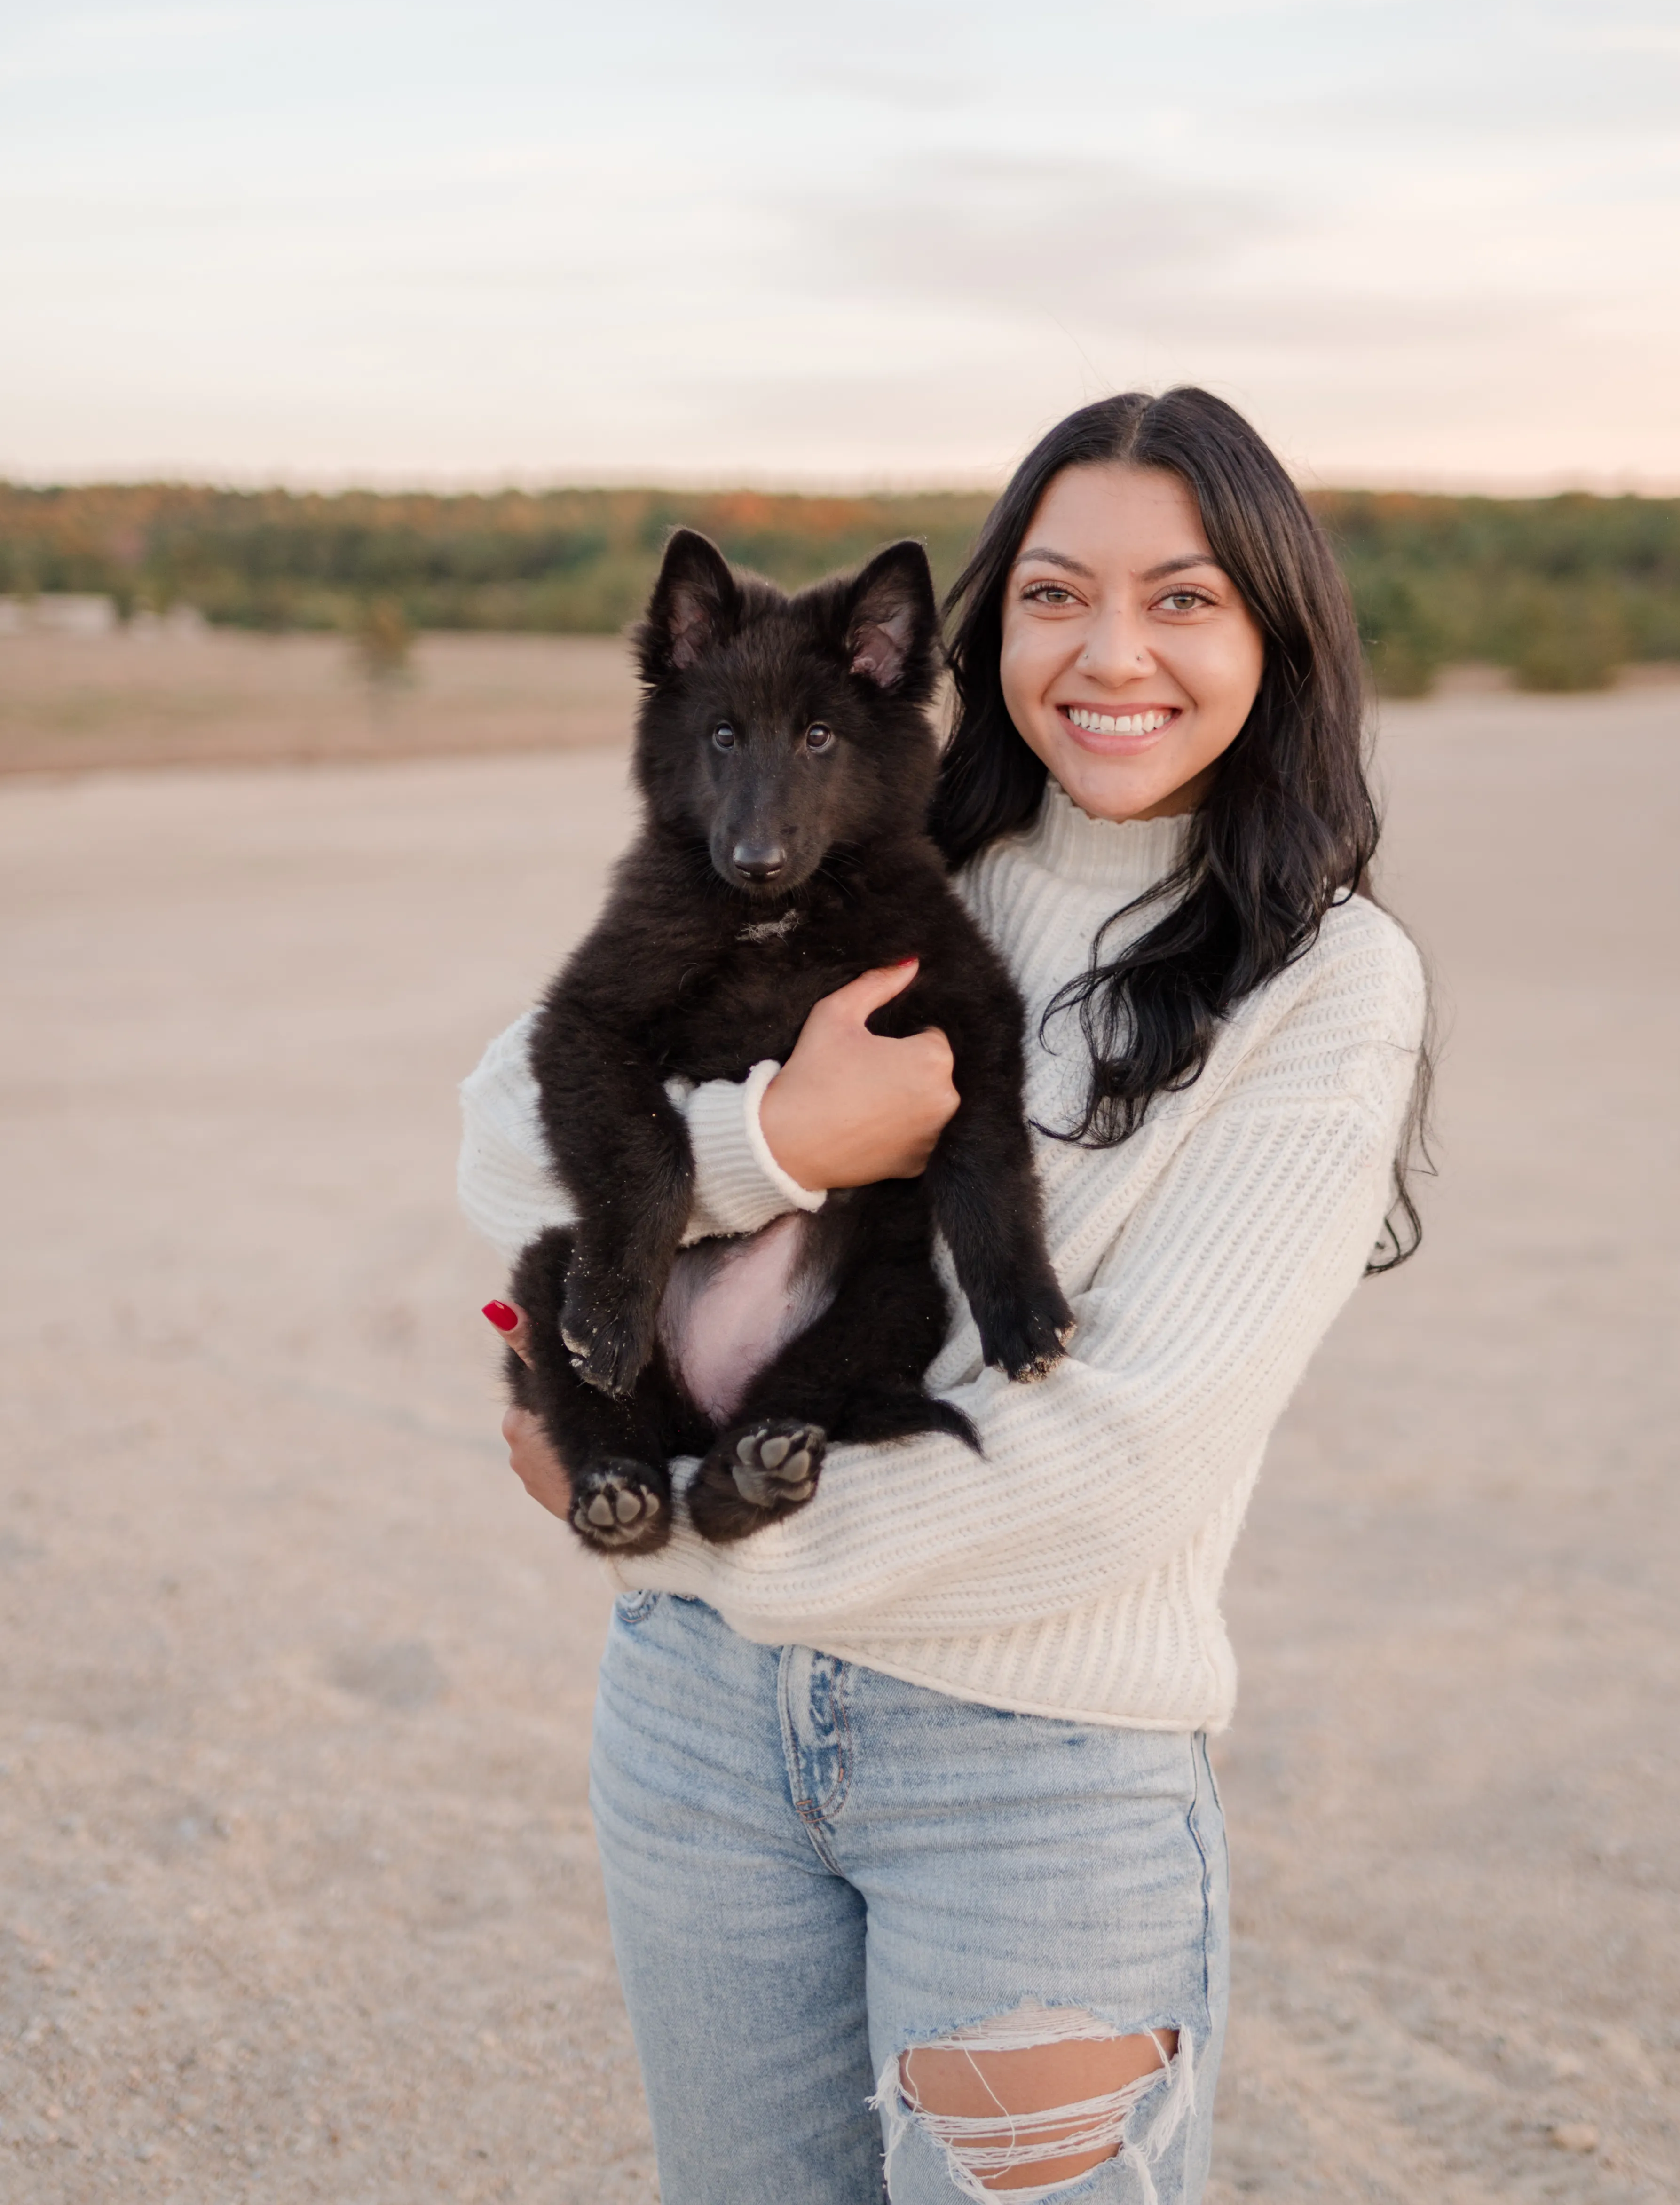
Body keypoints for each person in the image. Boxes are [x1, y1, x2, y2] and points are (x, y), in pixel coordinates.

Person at [457, 389, 1428, 2205]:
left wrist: (672, 1537)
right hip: (697, 1729)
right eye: (1056, 593)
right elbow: (497, 1153)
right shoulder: (862, 847)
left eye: (1186, 598)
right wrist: (775, 1140)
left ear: (1278, 632)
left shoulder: (1327, 985)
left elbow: (1125, 1464)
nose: (1112, 651)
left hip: (1026, 1776)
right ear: (985, 631)